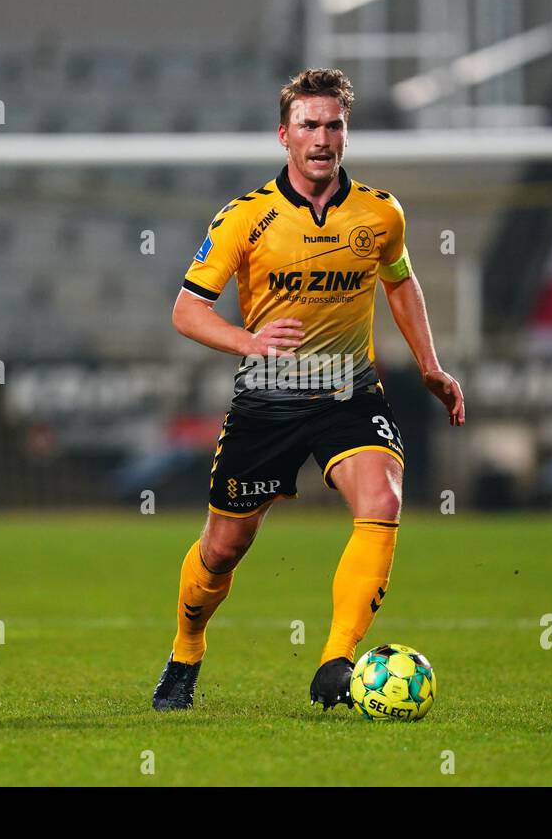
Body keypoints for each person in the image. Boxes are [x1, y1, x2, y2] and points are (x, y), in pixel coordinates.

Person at [152, 69, 465, 711]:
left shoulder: (380, 213)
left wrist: (429, 364)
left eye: (333, 125)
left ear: (346, 133)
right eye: (308, 125)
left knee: (383, 496)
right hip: (268, 398)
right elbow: (187, 311)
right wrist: (248, 342)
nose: (321, 138)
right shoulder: (246, 217)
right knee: (224, 548)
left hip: (349, 392)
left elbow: (399, 282)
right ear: (284, 135)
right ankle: (186, 650)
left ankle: (336, 660)